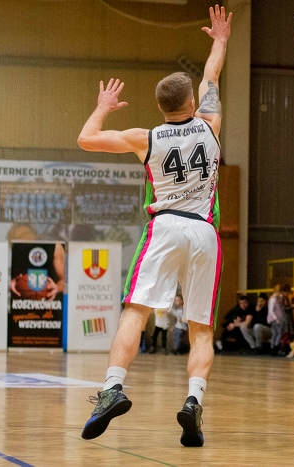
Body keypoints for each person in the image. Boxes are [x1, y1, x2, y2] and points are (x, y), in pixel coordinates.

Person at [77, 5, 232, 446]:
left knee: (136, 311)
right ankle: (193, 400)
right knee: (201, 327)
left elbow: (86, 138)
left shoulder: (145, 138)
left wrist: (103, 107)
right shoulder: (210, 124)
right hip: (204, 232)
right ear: (191, 103)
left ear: (160, 107)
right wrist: (220, 40)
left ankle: (112, 388)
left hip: (164, 228)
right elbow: (211, 76)